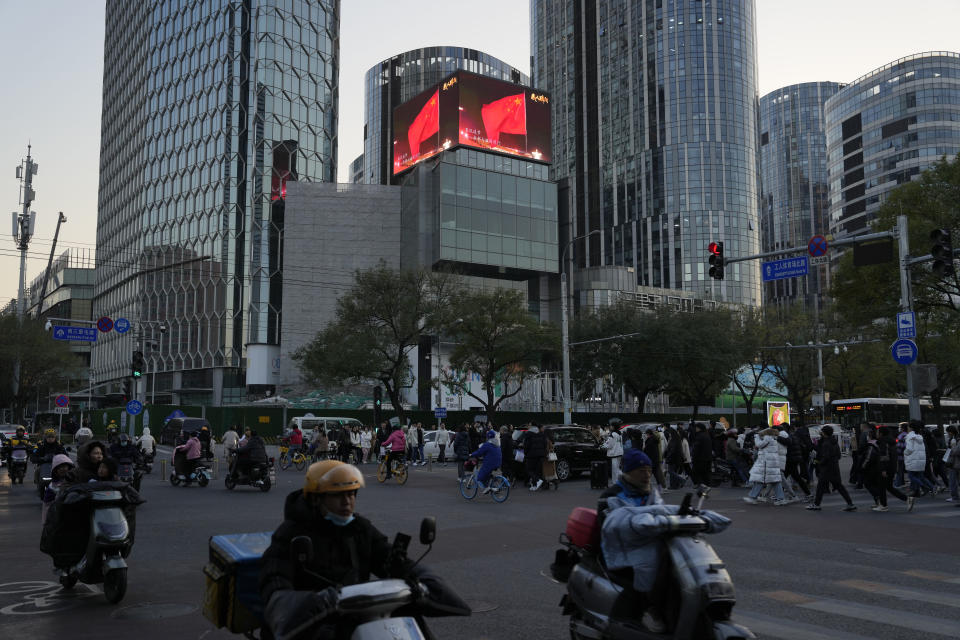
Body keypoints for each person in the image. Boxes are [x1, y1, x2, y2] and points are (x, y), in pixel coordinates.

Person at [259, 461, 411, 639]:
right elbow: (275, 581)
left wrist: (418, 578)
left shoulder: (360, 529)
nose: (347, 501)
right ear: (317, 498)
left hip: (354, 622)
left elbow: (387, 557)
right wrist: (314, 602)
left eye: (352, 494)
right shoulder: (291, 533)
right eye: (338, 495)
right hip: (306, 628)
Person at [807, 426, 857, 512]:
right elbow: (838, 455)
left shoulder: (826, 443)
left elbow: (825, 457)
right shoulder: (834, 441)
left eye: (821, 431)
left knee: (820, 486)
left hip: (826, 468)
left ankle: (816, 504)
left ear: (824, 433)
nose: (820, 433)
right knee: (839, 486)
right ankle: (850, 504)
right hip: (834, 467)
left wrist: (819, 462)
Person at [599, 449, 664, 507]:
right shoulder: (610, 496)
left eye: (649, 470)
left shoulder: (652, 493)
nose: (647, 475)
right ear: (628, 473)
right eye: (641, 471)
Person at [743, 428, 788, 505]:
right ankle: (781, 499)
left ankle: (753, 497)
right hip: (772, 464)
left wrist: (756, 437)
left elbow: (759, 445)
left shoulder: (768, 438)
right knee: (775, 481)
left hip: (766, 464)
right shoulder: (774, 438)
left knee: (760, 480)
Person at [904, 420, 935, 510]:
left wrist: (905, 452)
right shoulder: (919, 436)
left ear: (911, 428)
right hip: (921, 461)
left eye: (909, 426)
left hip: (912, 460)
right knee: (919, 476)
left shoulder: (909, 436)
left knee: (911, 476)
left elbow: (909, 449)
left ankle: (924, 487)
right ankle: (928, 488)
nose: (908, 427)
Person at [42, 454, 75, 524]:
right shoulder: (52, 486)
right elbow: (47, 505)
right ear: (55, 470)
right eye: (59, 467)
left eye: (64, 466)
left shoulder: (76, 480)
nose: (62, 469)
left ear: (69, 467)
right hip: (59, 517)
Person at [520, 423, 547, 491]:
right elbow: (545, 443)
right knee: (536, 471)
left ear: (531, 427)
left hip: (531, 455)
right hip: (540, 455)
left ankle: (537, 481)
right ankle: (535, 486)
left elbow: (526, 445)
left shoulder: (528, 434)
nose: (528, 426)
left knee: (529, 470)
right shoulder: (541, 433)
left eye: (529, 425)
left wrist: (526, 453)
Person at [642, 428, 667, 493]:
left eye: (646, 434)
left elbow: (646, 450)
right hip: (656, 459)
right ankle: (660, 488)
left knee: (648, 475)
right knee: (656, 475)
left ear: (648, 434)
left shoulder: (650, 441)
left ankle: (646, 488)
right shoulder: (655, 439)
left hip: (651, 460)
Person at [690, 423, 713, 490]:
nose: (695, 429)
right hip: (708, 458)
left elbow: (696, 449)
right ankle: (707, 487)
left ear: (699, 428)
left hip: (700, 459)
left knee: (695, 474)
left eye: (696, 428)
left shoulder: (699, 436)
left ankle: (702, 488)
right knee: (705, 474)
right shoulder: (707, 435)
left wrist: (693, 457)